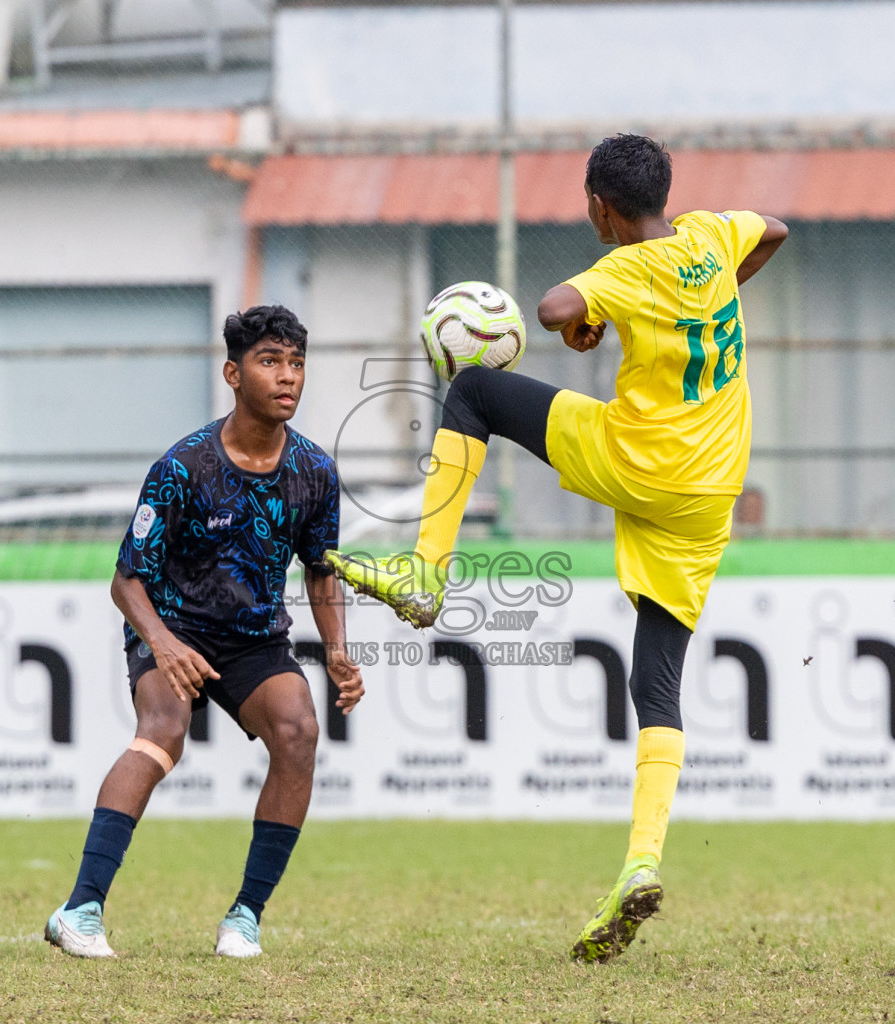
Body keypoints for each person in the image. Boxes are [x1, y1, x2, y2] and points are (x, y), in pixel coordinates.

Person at [322, 134, 787, 963]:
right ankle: (641, 860)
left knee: (473, 391)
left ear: (601, 208)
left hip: (638, 460)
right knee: (658, 677)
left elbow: (553, 310)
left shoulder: (622, 269)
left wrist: (601, 306)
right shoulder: (713, 237)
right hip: (709, 491)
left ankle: (427, 569)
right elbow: (776, 230)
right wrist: (696, 308)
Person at [46, 305, 364, 960]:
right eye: (270, 361)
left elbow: (321, 570)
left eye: (297, 363)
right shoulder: (183, 466)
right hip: (169, 622)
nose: (288, 377)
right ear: (232, 372)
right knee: (163, 727)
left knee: (300, 730)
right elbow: (125, 580)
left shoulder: (315, 472)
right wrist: (163, 643)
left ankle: (245, 917)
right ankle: (79, 910)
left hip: (253, 638)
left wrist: (336, 651)